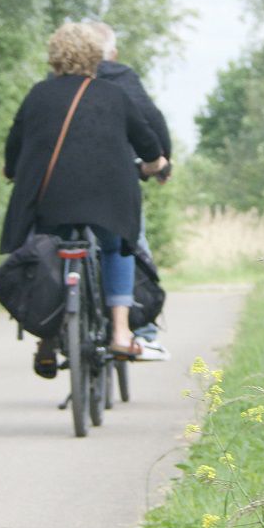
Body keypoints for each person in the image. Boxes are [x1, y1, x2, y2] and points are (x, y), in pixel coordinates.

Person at [1, 22, 170, 376]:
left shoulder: (38, 94)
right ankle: (122, 331)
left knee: (46, 254)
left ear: (54, 57)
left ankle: (46, 339)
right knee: (116, 247)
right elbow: (147, 141)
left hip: (51, 199)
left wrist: (13, 171)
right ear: (97, 56)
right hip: (108, 199)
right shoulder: (114, 94)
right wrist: (156, 164)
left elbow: (14, 147)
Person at [88, 21, 172, 350]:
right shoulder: (122, 77)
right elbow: (151, 119)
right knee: (130, 241)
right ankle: (144, 330)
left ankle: (56, 331)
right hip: (117, 176)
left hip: (65, 183)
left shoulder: (58, 81)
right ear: (114, 52)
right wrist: (163, 161)